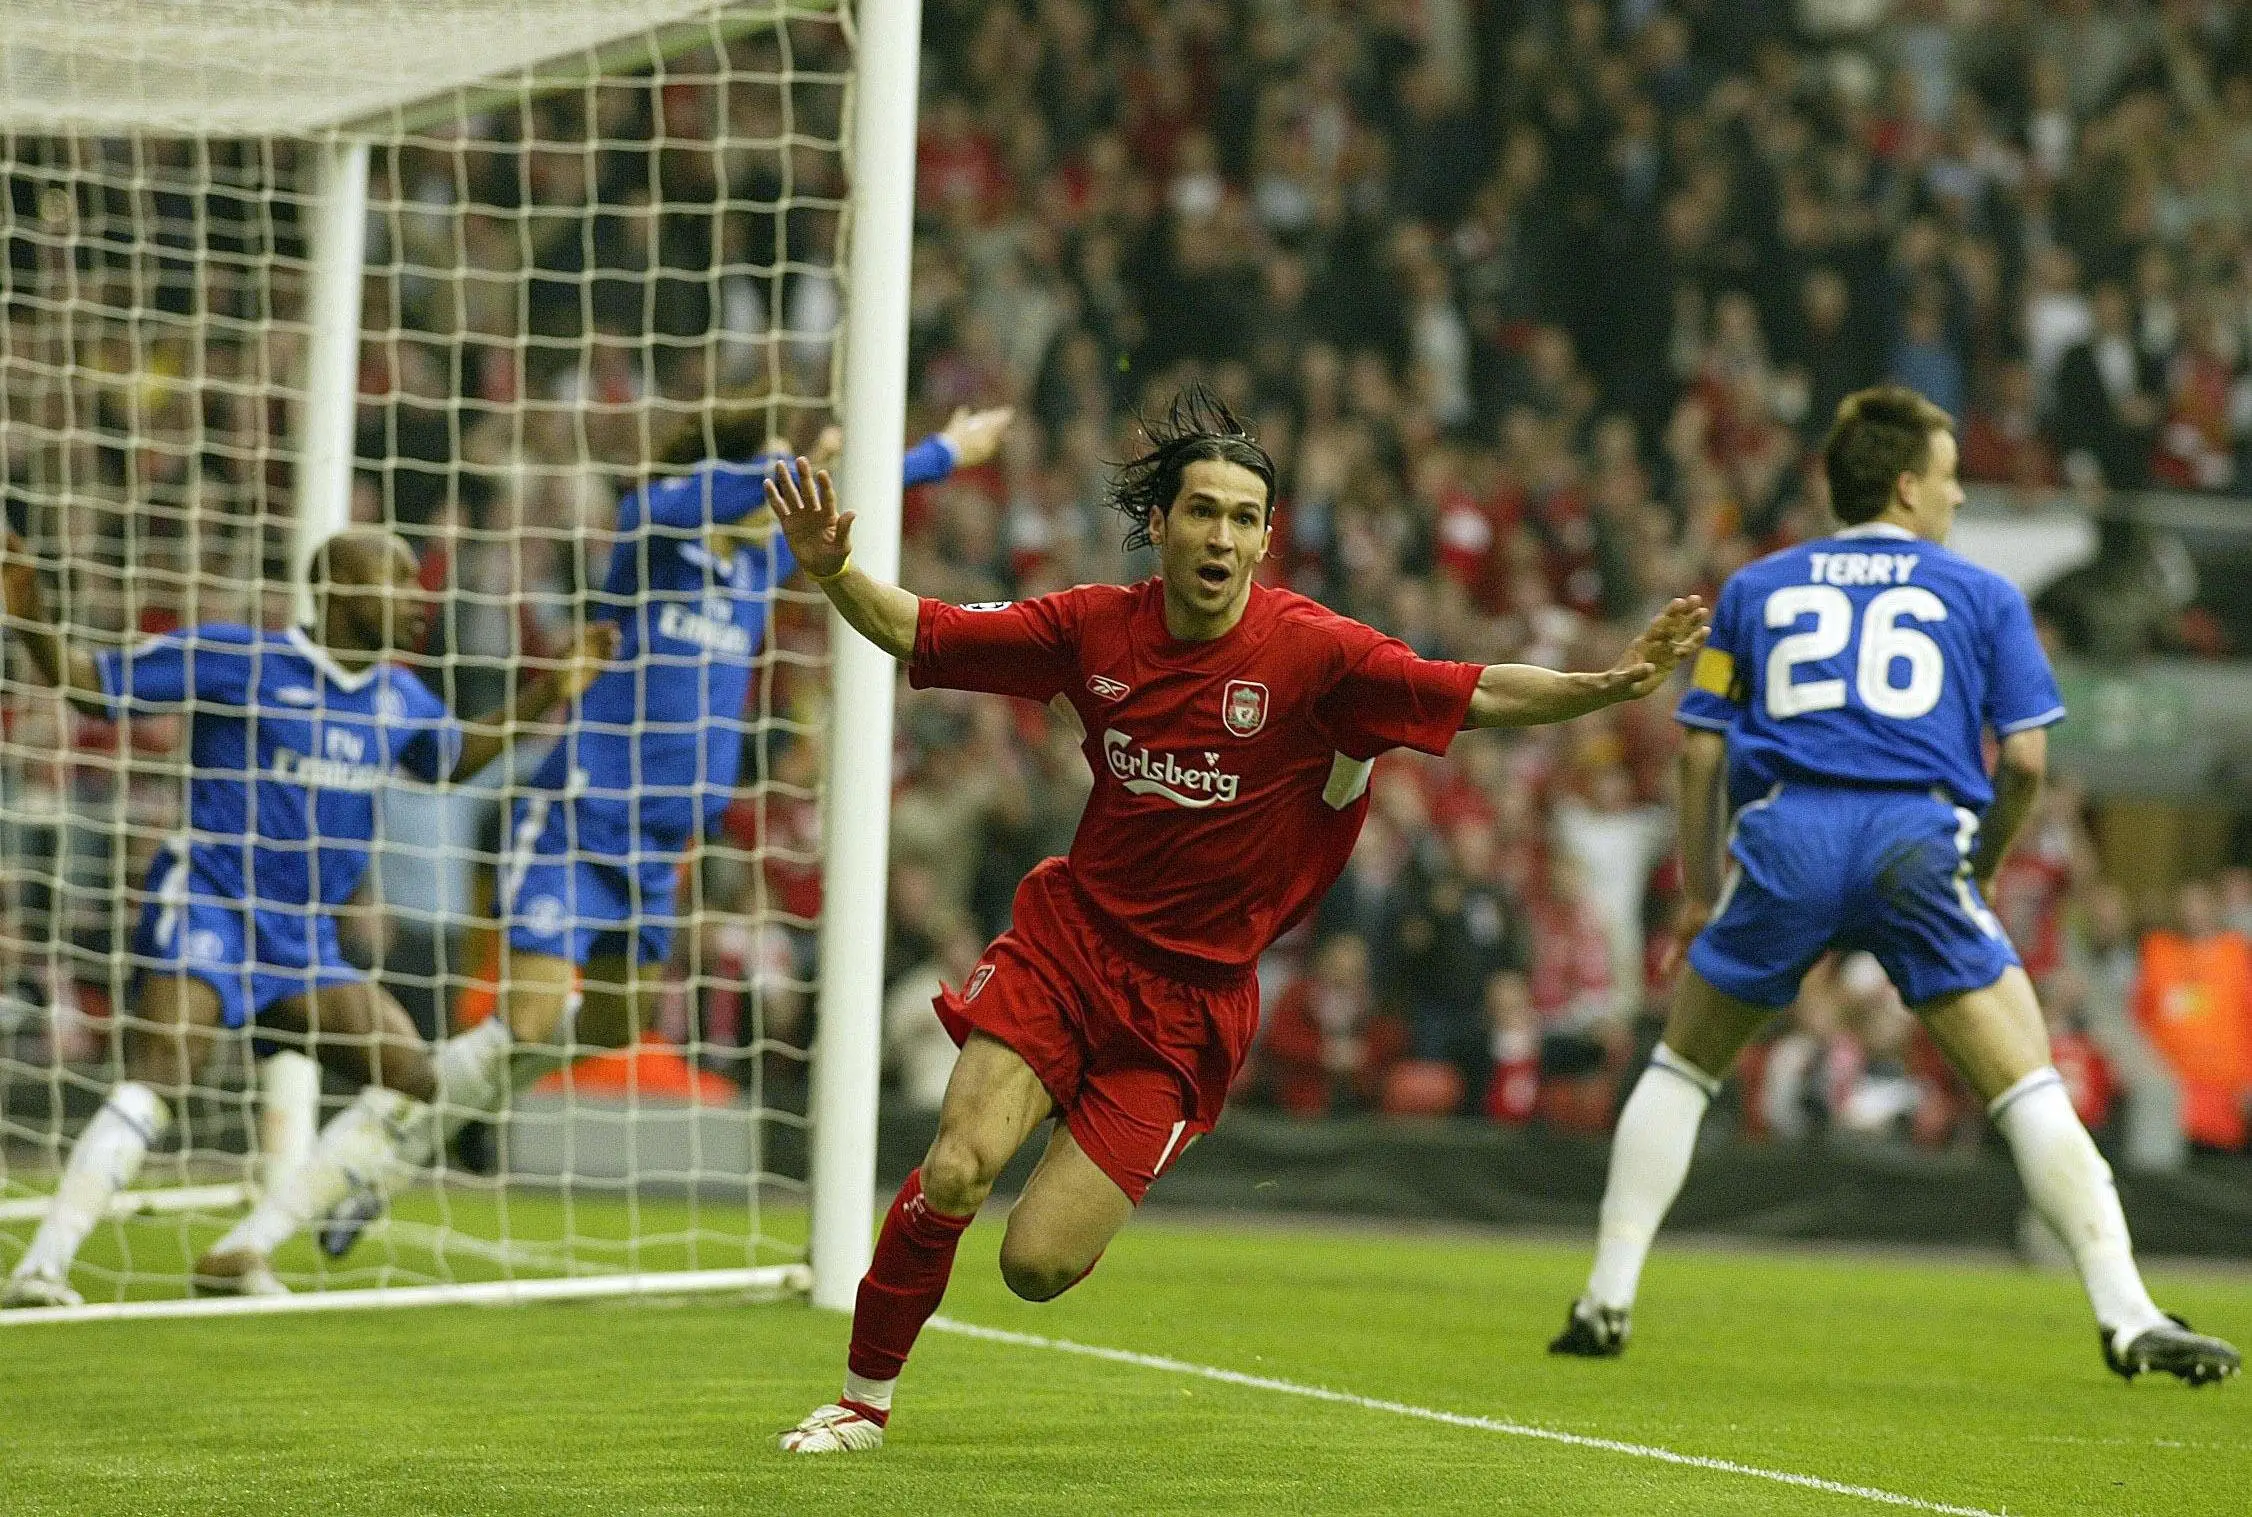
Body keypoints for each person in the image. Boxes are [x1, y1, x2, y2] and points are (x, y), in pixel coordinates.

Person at [767, 387, 1709, 1453]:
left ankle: (1115, 1120)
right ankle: (860, 1400)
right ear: (1159, 525)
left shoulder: (1316, 654)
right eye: (1201, 510)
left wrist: (1602, 683)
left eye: (1242, 516)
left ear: (1265, 536)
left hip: (1188, 1004)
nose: (1221, 533)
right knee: (953, 1167)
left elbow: (1478, 688)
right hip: (1069, 944)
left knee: (1032, 1266)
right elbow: (919, 628)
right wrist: (832, 569)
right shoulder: (1089, 627)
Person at [191, 405, 1015, 1287]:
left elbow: (862, 499)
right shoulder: (652, 535)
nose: (784, 494)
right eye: (771, 475)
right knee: (534, 1020)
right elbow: (708, 492)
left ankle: (439, 1120)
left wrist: (945, 452)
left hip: (658, 856)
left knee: (607, 1026)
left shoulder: (754, 571)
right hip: (579, 825)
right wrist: (803, 461)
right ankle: (270, 1227)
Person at [1550, 386, 2239, 1386]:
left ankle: (1605, 1297)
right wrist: (1987, 862)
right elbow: (2028, 763)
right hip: (1913, 835)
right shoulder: (1982, 594)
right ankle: (2124, 1310)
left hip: (1786, 833)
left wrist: (1701, 891)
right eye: (1949, 472)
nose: (1958, 492)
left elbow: (1697, 757)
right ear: (1906, 483)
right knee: (2024, 1077)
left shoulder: (1755, 587)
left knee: (1682, 1066)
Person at [0, 527, 611, 1308]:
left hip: (305, 942)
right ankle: (41, 1267)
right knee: (164, 1073)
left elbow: (452, 761)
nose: (415, 596)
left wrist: (545, 692)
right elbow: (92, 685)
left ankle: (242, 1248)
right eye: (392, 579)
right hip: (213, 903)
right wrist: (32, 618)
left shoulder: (400, 696)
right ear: (335, 589)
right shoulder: (241, 660)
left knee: (414, 1076)